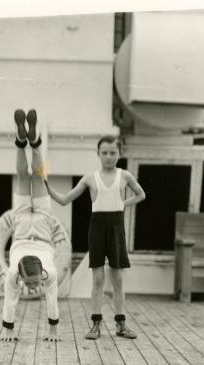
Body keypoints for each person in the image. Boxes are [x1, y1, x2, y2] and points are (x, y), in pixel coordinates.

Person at [45, 136, 146, 340]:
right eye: (104, 153)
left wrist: (123, 204)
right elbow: (65, 200)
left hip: (116, 229)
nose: (109, 157)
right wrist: (46, 185)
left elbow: (141, 194)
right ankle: (96, 324)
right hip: (97, 230)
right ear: (98, 154)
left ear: (120, 153)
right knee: (98, 279)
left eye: (113, 152)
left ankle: (120, 324)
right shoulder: (90, 178)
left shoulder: (124, 175)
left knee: (117, 280)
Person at [0, 109, 60, 342]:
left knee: (29, 177)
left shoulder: (15, 273)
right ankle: (27, 143)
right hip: (38, 230)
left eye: (32, 283)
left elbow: (10, 300)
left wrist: (9, 330)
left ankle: (29, 143)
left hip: (32, 230)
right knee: (31, 177)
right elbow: (51, 298)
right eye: (34, 283)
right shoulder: (47, 273)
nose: (34, 287)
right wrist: (52, 329)